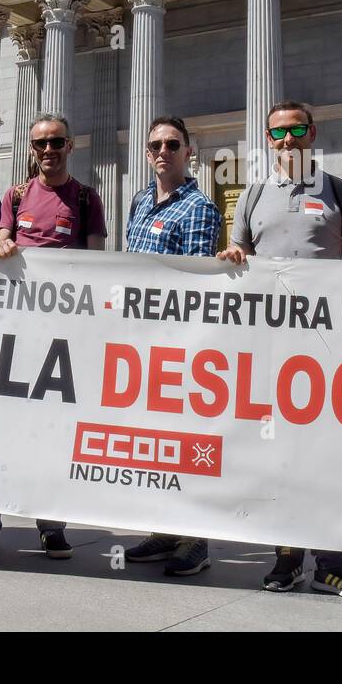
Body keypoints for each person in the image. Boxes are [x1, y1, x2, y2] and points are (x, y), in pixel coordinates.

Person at [217, 100, 342, 601]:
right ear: (267, 140)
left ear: (312, 134)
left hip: (327, 347)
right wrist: (232, 257)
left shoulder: (338, 191)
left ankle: (332, 563)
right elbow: (238, 255)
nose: (287, 140)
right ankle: (286, 558)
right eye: (278, 133)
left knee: (327, 455)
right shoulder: (252, 193)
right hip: (272, 346)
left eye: (296, 130)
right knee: (278, 454)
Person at [0, 113, 107, 557]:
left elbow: (97, 266)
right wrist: (3, 244)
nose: (48, 150)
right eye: (40, 143)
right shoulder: (15, 195)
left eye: (56, 141)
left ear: (69, 145)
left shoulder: (85, 198)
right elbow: (0, 241)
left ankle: (51, 526)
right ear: (31, 149)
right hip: (12, 331)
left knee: (52, 432)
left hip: (59, 336)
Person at [121, 116, 222, 577]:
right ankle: (164, 528)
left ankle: (195, 539)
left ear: (189, 152)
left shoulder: (199, 207)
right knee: (154, 439)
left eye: (172, 144)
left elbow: (195, 281)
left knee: (187, 439)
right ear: (147, 153)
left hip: (179, 342)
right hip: (139, 339)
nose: (163, 151)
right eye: (155, 145)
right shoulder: (140, 201)